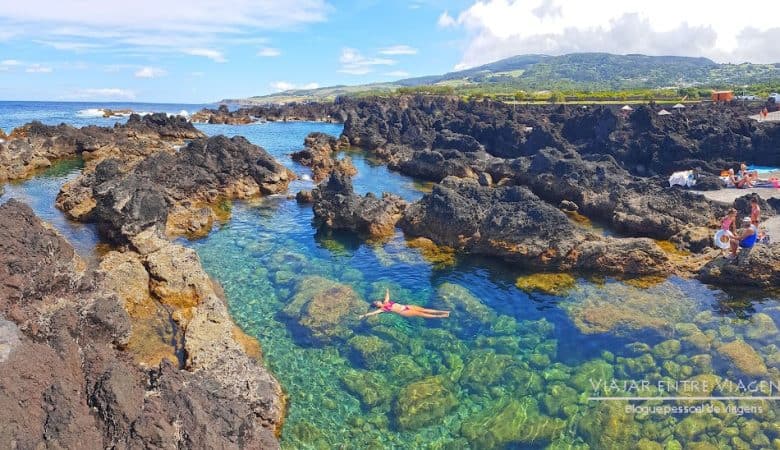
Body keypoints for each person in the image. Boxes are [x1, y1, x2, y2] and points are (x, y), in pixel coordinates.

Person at [359, 289, 450, 319]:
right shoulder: (382, 309)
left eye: (376, 300)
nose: (377, 301)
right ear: (377, 306)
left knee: (424, 309)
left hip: (406, 306)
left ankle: (443, 311)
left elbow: (387, 295)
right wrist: (363, 315)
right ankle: (442, 316)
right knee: (422, 314)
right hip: (404, 312)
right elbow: (372, 313)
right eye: (376, 302)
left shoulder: (386, 301)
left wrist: (387, 290)